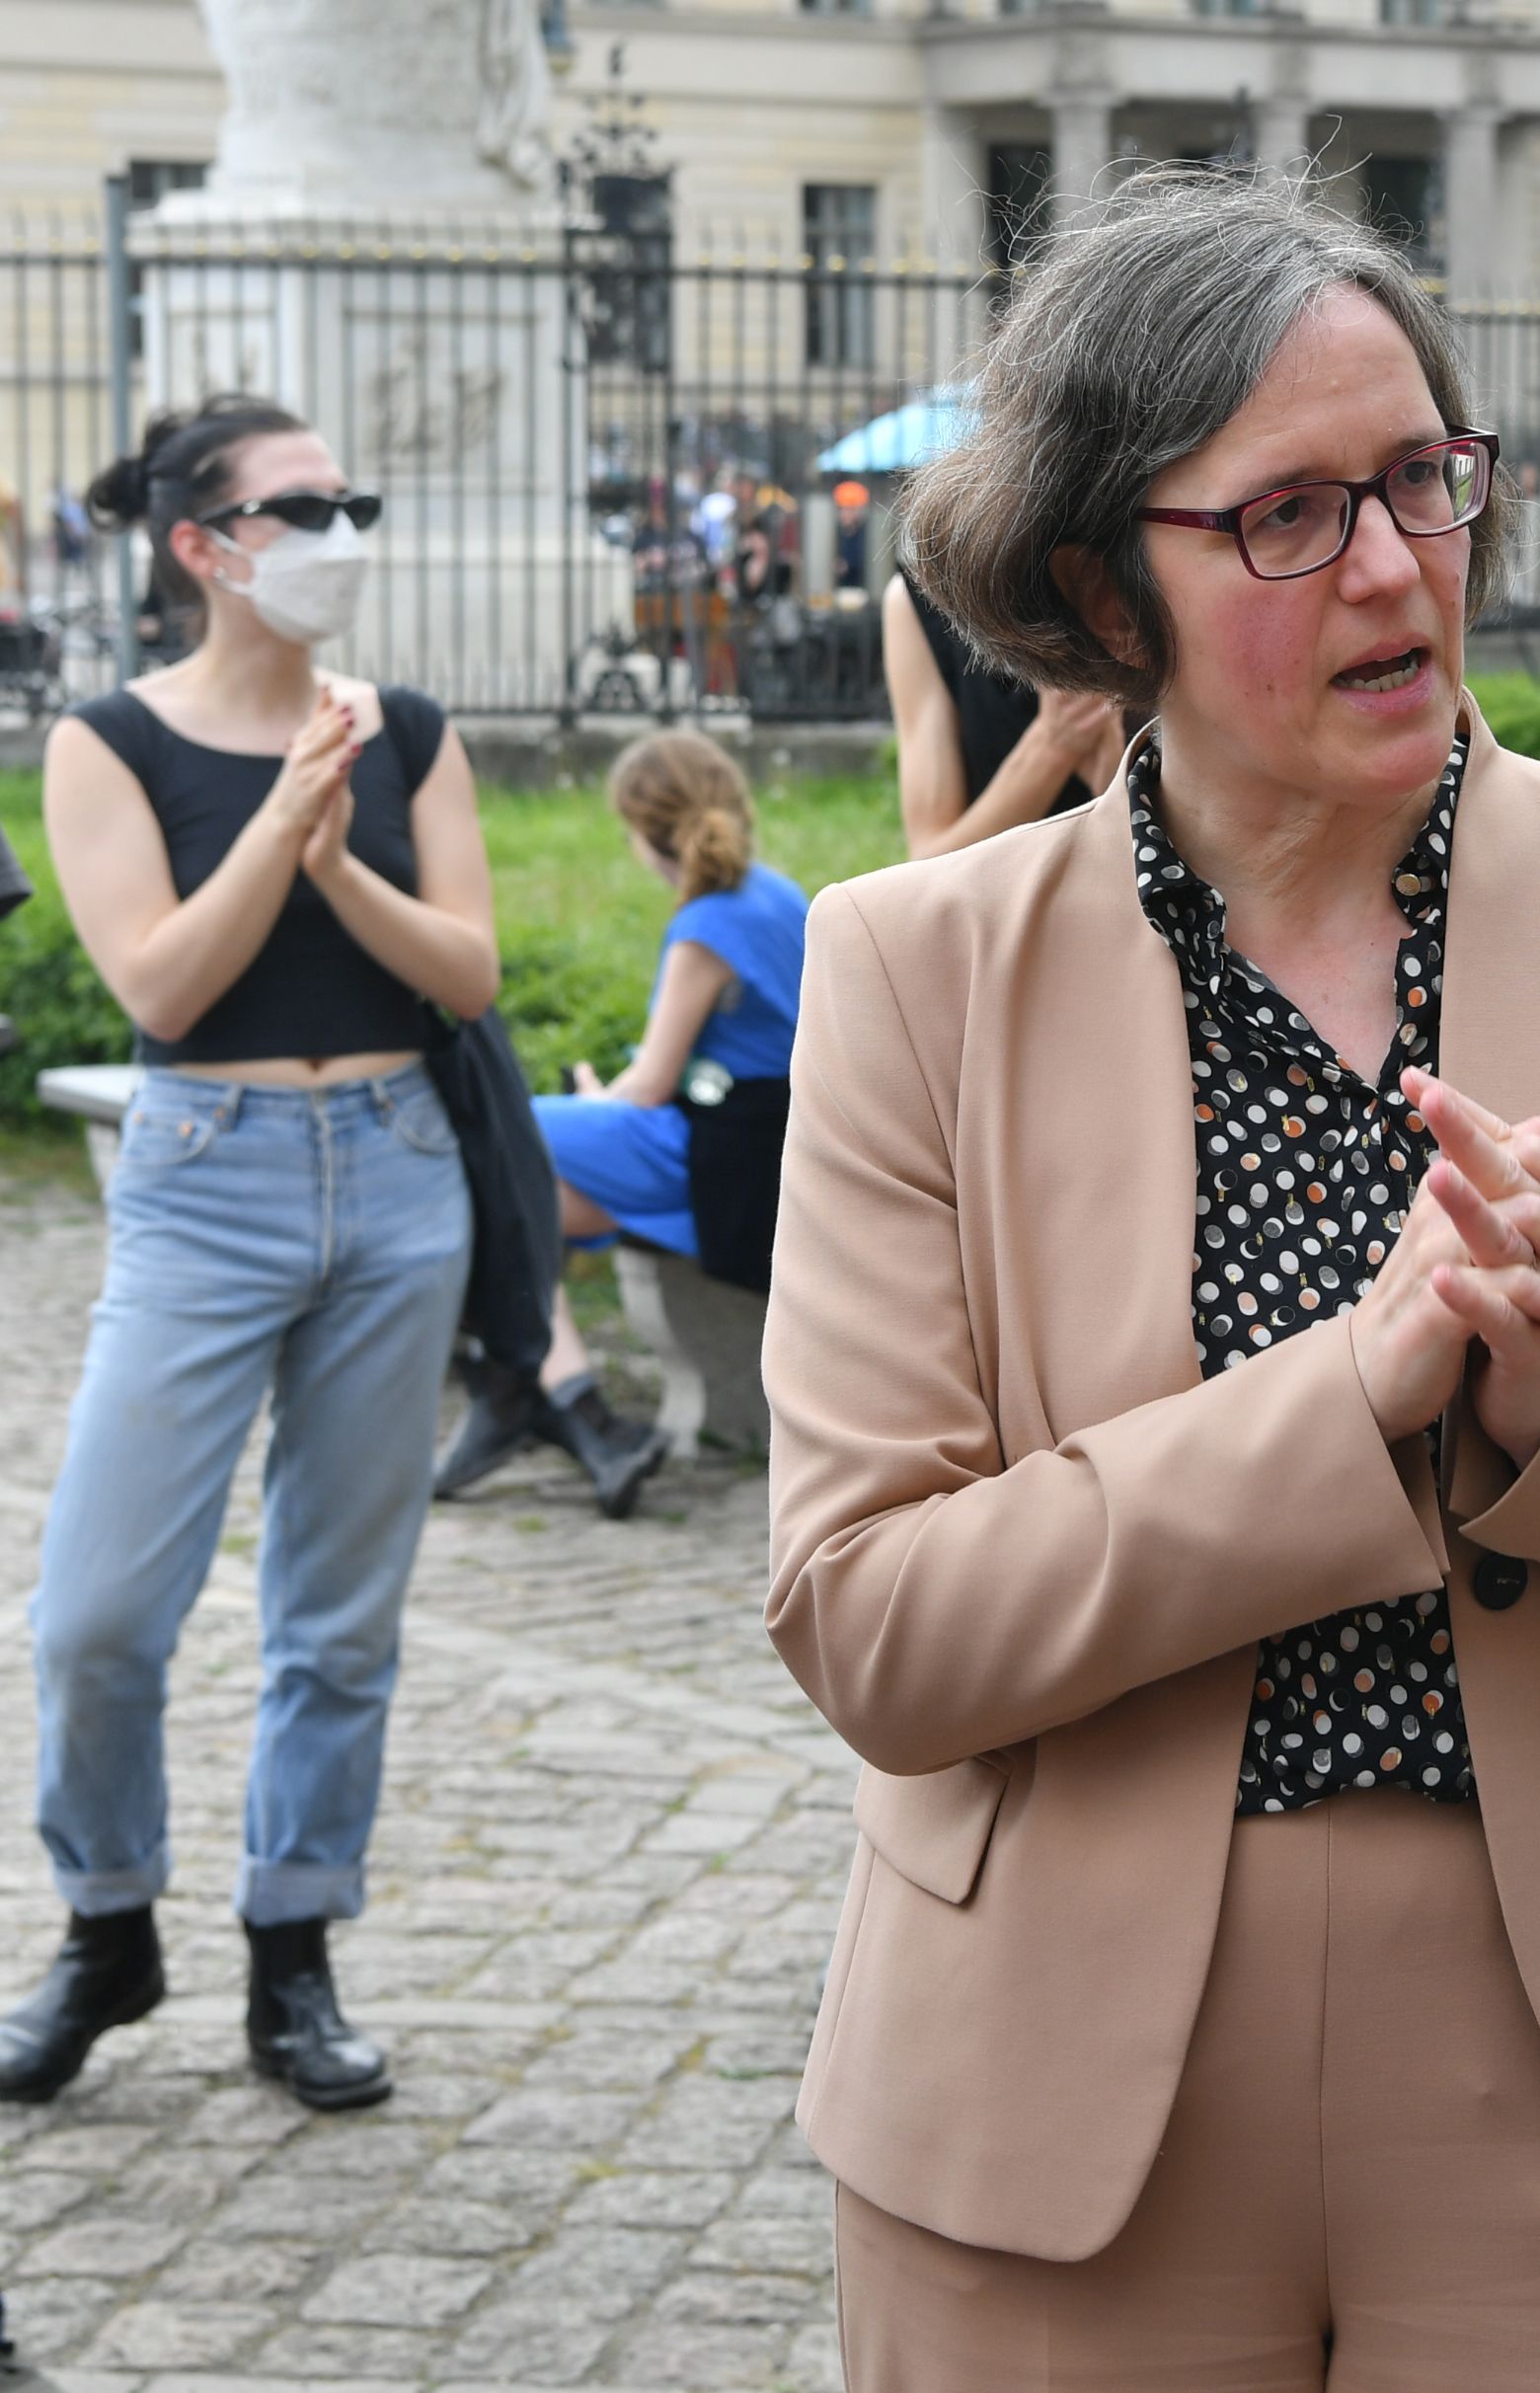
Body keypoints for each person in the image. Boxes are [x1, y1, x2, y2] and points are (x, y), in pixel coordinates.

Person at [766, 165, 1540, 2388]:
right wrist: (1348, 1398)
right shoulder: (913, 971)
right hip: (1058, 2081)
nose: (1405, 565)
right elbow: (873, 1622)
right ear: (1090, 586)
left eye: (1424, 477)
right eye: (1290, 515)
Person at [7, 395, 502, 2111]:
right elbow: (156, 984)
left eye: (349, 497)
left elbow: (468, 971)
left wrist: (338, 853)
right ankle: (105, 1918)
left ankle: (294, 1949)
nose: (338, 530)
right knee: (96, 1612)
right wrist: (293, 808)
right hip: (203, 1175)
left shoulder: (411, 727)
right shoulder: (107, 742)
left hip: (395, 1172)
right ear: (202, 544)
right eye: (302, 505)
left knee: (337, 1614)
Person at [435, 731, 803, 1518]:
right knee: (514, 1197)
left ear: (643, 831)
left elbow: (652, 1085)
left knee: (502, 1137)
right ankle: (573, 1409)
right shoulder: (775, 893)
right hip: (765, 1143)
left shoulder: (708, 922)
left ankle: (547, 1398)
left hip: (723, 1157)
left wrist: (601, 1097)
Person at [881, 569, 1129, 859]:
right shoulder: (921, 599)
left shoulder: (1140, 569)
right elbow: (928, 864)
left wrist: (1114, 781)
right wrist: (1053, 746)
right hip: (997, 896)